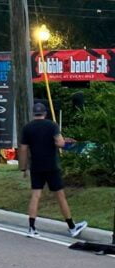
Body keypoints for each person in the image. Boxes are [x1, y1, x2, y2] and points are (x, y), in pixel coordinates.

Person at [20, 102, 88, 238]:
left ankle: (32, 227)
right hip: (51, 165)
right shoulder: (52, 125)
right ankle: (71, 226)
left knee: (36, 195)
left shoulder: (27, 128)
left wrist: (23, 168)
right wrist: (67, 142)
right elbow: (59, 143)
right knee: (60, 195)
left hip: (36, 165)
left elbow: (23, 149)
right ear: (45, 113)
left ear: (34, 113)